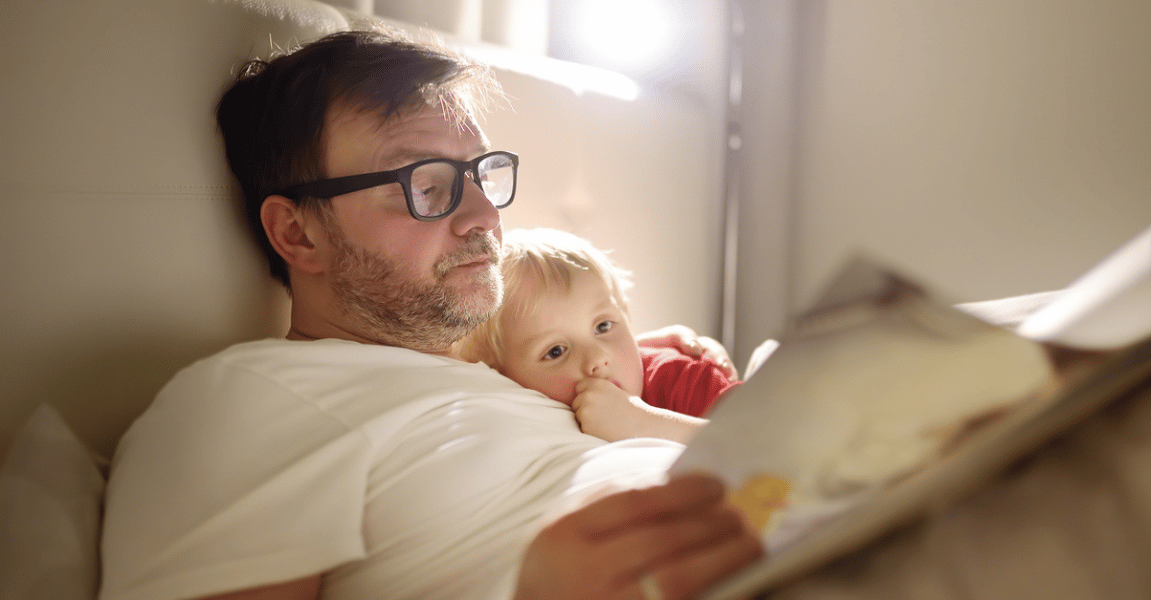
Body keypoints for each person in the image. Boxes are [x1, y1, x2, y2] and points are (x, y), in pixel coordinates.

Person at [98, 27, 761, 600]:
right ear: (299, 235)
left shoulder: (521, 372)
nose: (483, 218)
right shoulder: (245, 401)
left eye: (479, 175)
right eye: (426, 186)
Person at [457, 227, 741, 444]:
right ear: (502, 378)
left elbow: (771, 449)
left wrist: (640, 423)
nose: (597, 358)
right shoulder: (514, 421)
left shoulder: (685, 379)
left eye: (603, 327)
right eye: (556, 351)